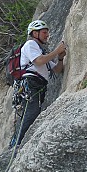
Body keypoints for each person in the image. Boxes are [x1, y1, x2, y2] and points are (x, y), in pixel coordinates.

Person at [10, 19, 66, 148]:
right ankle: (16, 145)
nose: (47, 35)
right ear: (35, 34)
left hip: (38, 85)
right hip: (31, 83)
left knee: (33, 113)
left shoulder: (40, 50)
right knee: (32, 113)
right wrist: (57, 51)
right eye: (44, 32)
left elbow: (57, 70)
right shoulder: (30, 45)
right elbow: (39, 61)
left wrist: (61, 58)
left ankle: (19, 143)